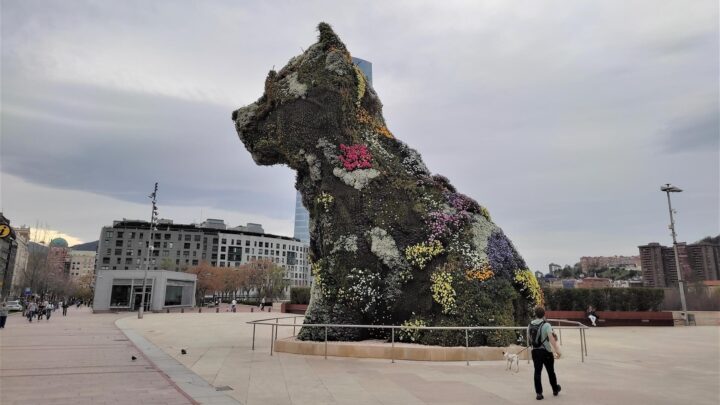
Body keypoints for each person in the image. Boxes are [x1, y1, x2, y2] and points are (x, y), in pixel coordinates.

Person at [530, 306, 562, 400]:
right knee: (551, 371)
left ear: (535, 314)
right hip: (546, 351)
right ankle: (555, 389)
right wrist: (557, 350)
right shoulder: (547, 325)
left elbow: (530, 338)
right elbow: (552, 339)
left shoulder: (530, 324)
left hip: (535, 351)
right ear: (544, 314)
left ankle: (539, 393)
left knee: (537, 372)